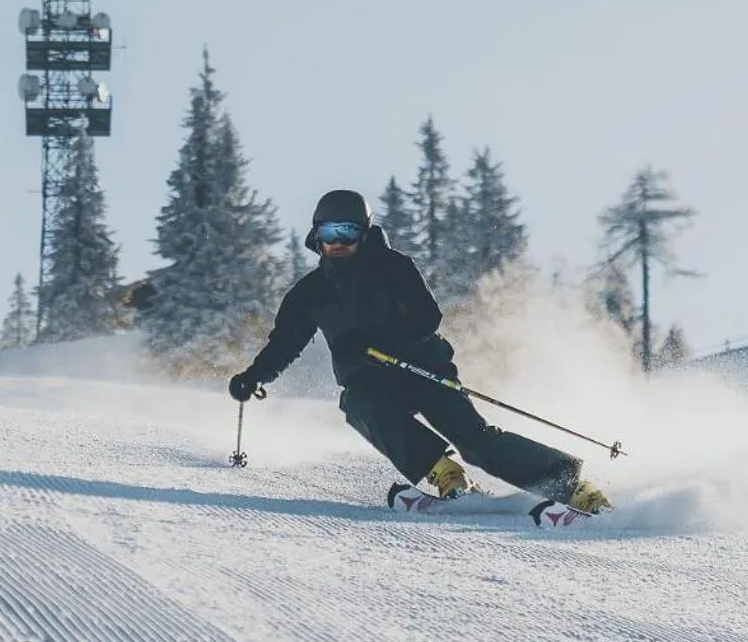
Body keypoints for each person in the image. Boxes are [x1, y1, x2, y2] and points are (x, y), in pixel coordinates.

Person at [229, 189, 612, 514]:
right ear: (316, 237)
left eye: (348, 232)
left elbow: (428, 317)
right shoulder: (309, 292)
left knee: (477, 443)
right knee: (357, 403)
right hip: (371, 383)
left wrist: (377, 342)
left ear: (364, 233)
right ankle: (446, 475)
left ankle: (570, 486)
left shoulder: (394, 267)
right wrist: (253, 377)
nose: (339, 243)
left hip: (421, 370)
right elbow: (284, 345)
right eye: (330, 233)